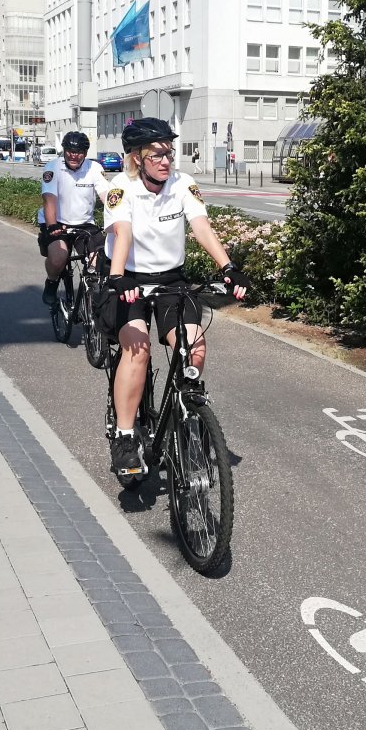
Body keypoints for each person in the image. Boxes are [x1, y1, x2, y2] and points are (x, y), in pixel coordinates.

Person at [101, 117, 248, 479]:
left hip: (171, 280)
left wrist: (228, 267)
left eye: (169, 152)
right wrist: (117, 277)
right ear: (137, 157)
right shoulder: (120, 188)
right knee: (138, 348)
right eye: (157, 154)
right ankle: (124, 436)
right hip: (130, 280)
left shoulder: (183, 184)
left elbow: (201, 227)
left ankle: (187, 407)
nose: (166, 160)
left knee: (194, 344)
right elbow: (123, 233)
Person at [38, 131, 110, 306]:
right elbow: (49, 199)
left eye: (79, 152)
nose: (74, 156)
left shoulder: (94, 168)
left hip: (85, 223)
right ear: (64, 150)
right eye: (70, 151)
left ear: (85, 153)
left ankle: (93, 298)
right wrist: (52, 225)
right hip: (58, 222)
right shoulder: (53, 167)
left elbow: (107, 197)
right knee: (58, 258)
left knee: (99, 260)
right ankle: (52, 282)